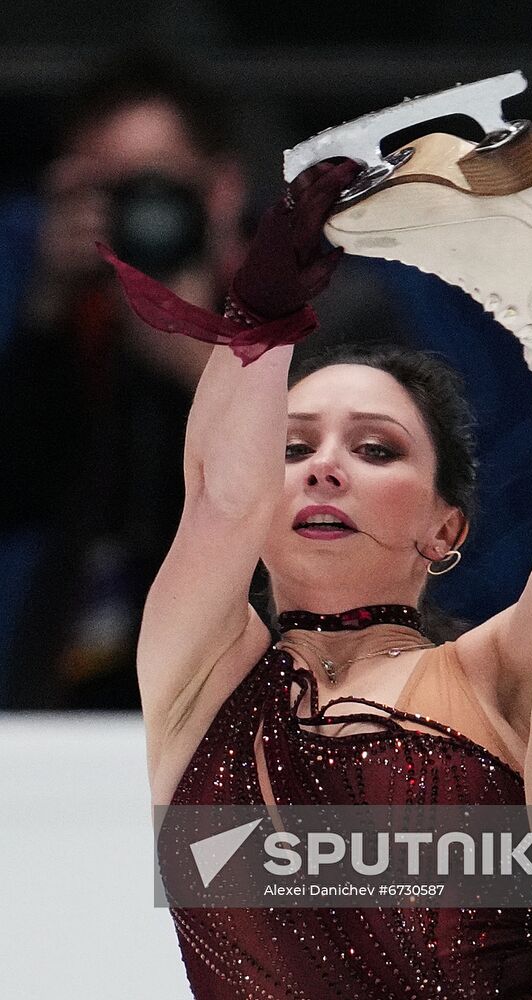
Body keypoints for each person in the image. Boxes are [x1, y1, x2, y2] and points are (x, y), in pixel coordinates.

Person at [106, 131, 532, 994]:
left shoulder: (498, 674)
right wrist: (262, 302)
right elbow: (219, 495)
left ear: (445, 530)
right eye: (293, 448)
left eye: (375, 449)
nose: (326, 466)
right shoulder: (197, 683)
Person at [0, 50, 250, 709]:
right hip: (85, 686)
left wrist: (191, 348)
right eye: (105, 192)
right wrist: (51, 302)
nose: (135, 214)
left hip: (262, 681)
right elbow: (18, 490)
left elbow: (322, 478)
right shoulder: (72, 321)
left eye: (154, 185)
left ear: (222, 190)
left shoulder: (320, 304)